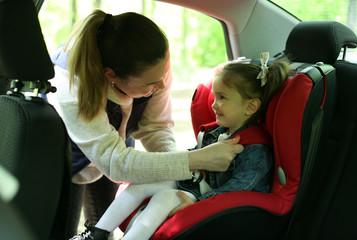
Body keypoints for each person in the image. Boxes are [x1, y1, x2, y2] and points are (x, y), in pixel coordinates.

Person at [47, 10, 243, 239]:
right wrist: (195, 159)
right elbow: (116, 162)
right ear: (111, 75)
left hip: (116, 147)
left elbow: (155, 128)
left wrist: (181, 179)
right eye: (150, 83)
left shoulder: (153, 69)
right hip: (63, 153)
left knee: (106, 225)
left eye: (163, 74)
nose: (161, 84)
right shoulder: (72, 84)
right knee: (61, 231)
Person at [68, 52, 291, 240]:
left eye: (222, 98)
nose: (214, 104)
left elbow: (239, 188)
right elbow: (196, 157)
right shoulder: (217, 132)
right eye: (214, 96)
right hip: (194, 183)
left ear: (251, 106)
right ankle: (97, 233)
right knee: (140, 184)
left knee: (163, 198)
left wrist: (200, 203)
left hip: (212, 197)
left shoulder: (255, 149)